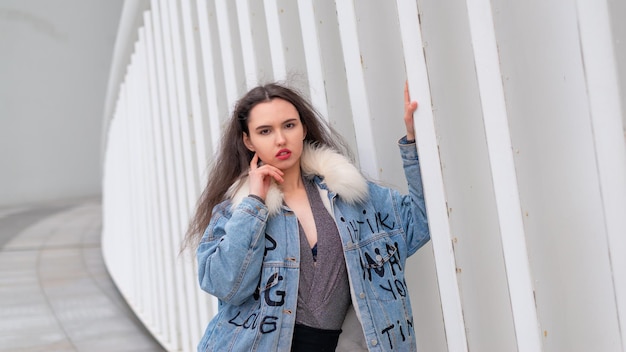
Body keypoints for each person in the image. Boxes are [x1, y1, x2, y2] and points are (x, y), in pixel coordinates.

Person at [184, 81, 430, 351]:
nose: (280, 139)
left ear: (303, 128)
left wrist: (414, 143)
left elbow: (420, 221)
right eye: (265, 131)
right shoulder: (237, 212)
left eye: (289, 125)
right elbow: (224, 284)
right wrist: (254, 203)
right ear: (248, 141)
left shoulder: (348, 196)